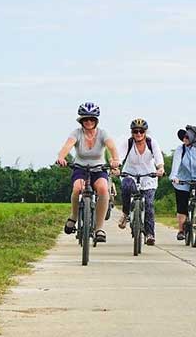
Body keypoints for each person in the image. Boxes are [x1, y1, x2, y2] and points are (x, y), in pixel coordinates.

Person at [56, 102, 120, 243]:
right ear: (81, 121)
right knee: (77, 188)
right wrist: (61, 157)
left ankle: (99, 228)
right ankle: (73, 216)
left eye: (92, 119)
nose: (89, 122)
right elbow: (67, 146)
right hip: (80, 168)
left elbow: (112, 147)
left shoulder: (103, 133)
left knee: (103, 190)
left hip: (98, 169)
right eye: (85, 119)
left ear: (96, 120)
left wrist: (115, 160)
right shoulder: (76, 133)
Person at [117, 118, 165, 245]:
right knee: (126, 187)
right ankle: (126, 213)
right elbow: (119, 157)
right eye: (135, 131)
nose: (138, 134)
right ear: (132, 132)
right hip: (130, 174)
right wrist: (116, 167)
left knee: (148, 204)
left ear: (145, 132)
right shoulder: (127, 143)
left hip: (149, 176)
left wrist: (160, 168)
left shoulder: (152, 142)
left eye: (141, 131)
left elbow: (158, 157)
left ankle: (150, 234)